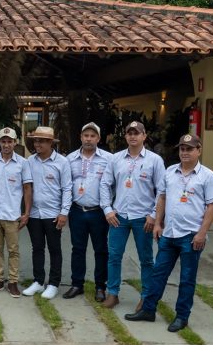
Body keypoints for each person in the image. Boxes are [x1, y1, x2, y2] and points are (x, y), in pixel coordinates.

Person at [125, 134, 213, 332]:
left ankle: (182, 316)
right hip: (169, 233)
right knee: (158, 274)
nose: (185, 152)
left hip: (191, 236)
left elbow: (212, 206)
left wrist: (202, 233)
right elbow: (162, 198)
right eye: (182, 149)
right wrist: (157, 224)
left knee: (186, 279)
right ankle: (148, 310)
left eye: (189, 149)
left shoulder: (208, 176)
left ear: (199, 150)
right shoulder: (170, 172)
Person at [100, 121, 165, 309]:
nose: (133, 136)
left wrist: (154, 215)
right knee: (114, 256)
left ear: (144, 136)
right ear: (125, 136)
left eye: (137, 133)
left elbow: (162, 190)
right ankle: (113, 293)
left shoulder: (154, 160)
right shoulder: (116, 158)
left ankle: (146, 296)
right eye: (129, 133)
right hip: (119, 216)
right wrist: (107, 209)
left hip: (143, 218)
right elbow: (105, 184)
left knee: (146, 259)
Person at [63, 122, 113, 302]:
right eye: (86, 135)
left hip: (98, 212)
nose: (89, 139)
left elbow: (114, 184)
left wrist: (110, 207)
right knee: (78, 249)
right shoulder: (70, 159)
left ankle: (100, 286)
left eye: (92, 136)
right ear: (81, 137)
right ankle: (77, 284)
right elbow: (66, 186)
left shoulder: (108, 159)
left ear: (98, 138)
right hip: (77, 210)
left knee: (101, 250)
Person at [22, 126, 72, 300]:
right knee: (37, 248)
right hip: (34, 214)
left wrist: (64, 212)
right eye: (35, 141)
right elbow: (26, 187)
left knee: (54, 249)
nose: (37, 144)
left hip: (53, 214)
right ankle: (38, 281)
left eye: (41, 141)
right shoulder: (30, 161)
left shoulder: (62, 162)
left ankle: (54, 284)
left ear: (51, 143)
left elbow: (67, 189)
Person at [0, 127, 32, 298]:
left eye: (10, 141)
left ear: (15, 143)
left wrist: (26, 213)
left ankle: (13, 282)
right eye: (3, 141)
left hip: (12, 214)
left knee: (13, 250)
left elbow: (27, 188)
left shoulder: (23, 163)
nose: (6, 145)